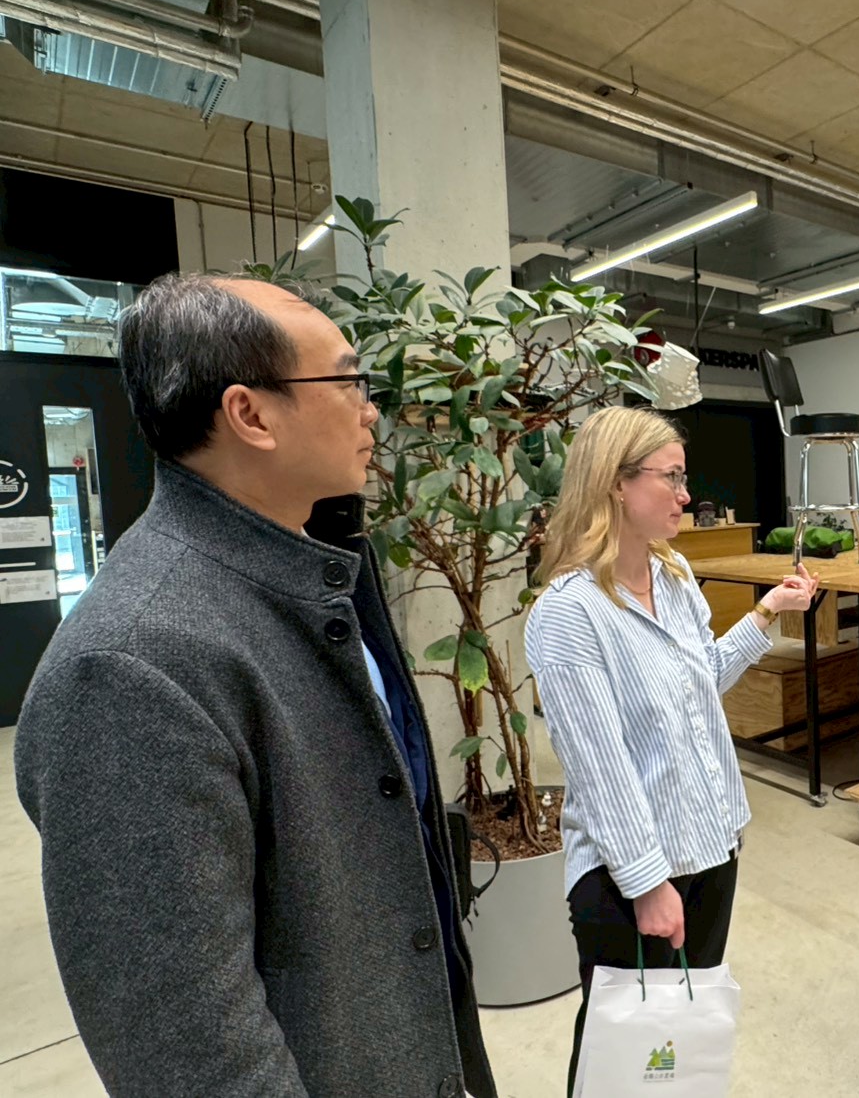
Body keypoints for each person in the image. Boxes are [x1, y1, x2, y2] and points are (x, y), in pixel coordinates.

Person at [14, 275, 497, 1098]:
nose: (371, 410)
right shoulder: (132, 665)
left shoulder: (316, 570)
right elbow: (186, 1048)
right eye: (347, 381)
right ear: (250, 414)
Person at [523, 406, 818, 1095]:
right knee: (622, 1058)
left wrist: (768, 610)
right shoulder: (569, 612)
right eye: (672, 478)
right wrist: (648, 883)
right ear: (615, 483)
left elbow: (701, 679)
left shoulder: (675, 574)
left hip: (711, 846)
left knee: (675, 1053)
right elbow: (598, 768)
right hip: (630, 876)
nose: (687, 496)